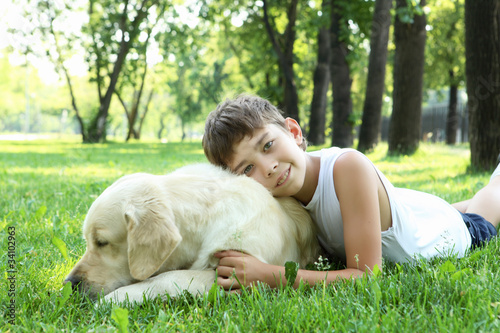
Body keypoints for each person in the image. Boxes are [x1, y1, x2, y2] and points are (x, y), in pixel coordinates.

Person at [202, 94, 500, 291]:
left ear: (293, 132)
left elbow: (366, 277)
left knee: (483, 207)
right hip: (407, 212)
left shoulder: (347, 166)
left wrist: (268, 275)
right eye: (246, 169)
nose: (267, 167)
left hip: (447, 232)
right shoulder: (277, 196)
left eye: (268, 145)